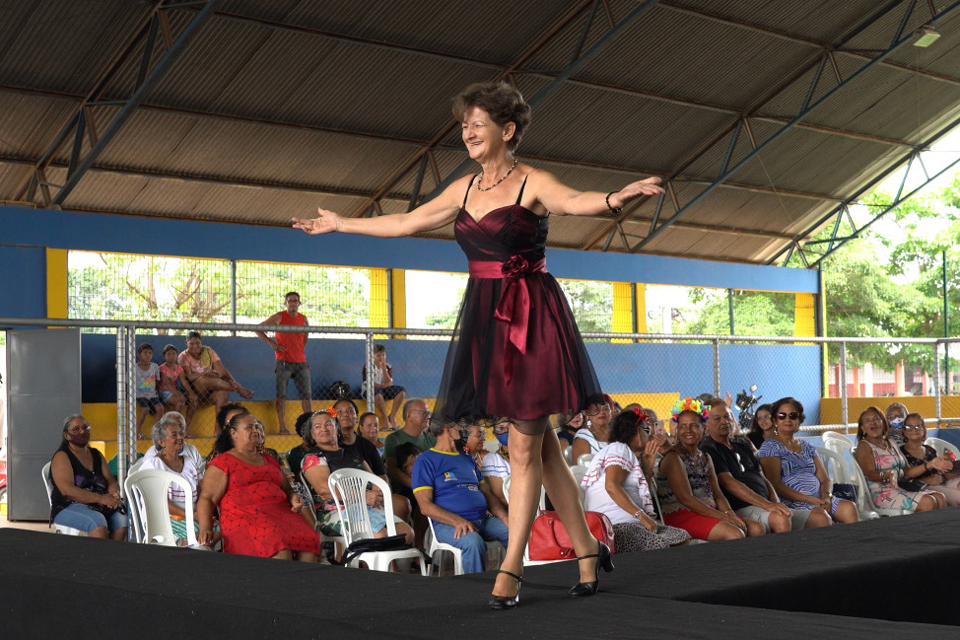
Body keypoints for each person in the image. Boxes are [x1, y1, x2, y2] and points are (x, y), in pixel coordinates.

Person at [294, 81, 663, 608]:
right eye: (464, 123)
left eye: (478, 123)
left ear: (507, 130)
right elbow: (406, 221)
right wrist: (341, 223)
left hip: (533, 321)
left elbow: (574, 201)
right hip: (489, 322)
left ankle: (510, 568)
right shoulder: (463, 189)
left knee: (520, 445)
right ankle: (587, 550)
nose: (467, 131)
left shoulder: (533, 180)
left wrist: (613, 198)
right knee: (541, 451)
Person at [197, 410, 319, 560]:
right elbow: (207, 498)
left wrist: (294, 498)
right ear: (234, 433)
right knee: (280, 550)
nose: (255, 430)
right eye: (249, 427)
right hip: (244, 518)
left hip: (279, 514)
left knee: (309, 541)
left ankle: (302, 583)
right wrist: (205, 527)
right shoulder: (223, 462)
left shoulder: (269, 459)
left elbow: (287, 489)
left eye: (256, 426)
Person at [699, 400, 828, 532]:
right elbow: (729, 483)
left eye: (727, 417)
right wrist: (767, 505)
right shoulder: (708, 449)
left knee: (821, 517)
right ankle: (785, 552)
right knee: (781, 518)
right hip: (743, 507)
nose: (724, 421)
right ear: (706, 424)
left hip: (766, 505)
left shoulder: (742, 443)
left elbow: (762, 477)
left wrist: (775, 502)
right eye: (717, 419)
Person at [581, 408, 691, 551]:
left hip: (631, 524)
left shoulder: (626, 453)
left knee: (682, 537)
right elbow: (611, 486)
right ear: (637, 432)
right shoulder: (620, 449)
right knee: (661, 546)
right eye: (646, 431)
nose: (650, 435)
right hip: (615, 527)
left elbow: (640, 494)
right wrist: (642, 517)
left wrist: (647, 469)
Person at [301, 408, 414, 547]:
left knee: (406, 532)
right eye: (318, 426)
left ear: (337, 428)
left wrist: (377, 495)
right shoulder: (313, 457)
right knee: (379, 536)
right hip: (337, 511)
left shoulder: (352, 453)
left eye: (328, 424)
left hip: (368, 506)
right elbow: (324, 489)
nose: (324, 429)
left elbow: (374, 480)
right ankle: (370, 566)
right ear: (312, 435)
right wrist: (363, 496)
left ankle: (378, 563)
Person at [656, 398, 762, 541]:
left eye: (693, 425)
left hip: (708, 511)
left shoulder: (705, 456)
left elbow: (717, 495)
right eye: (682, 426)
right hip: (681, 515)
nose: (687, 430)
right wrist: (725, 518)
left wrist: (730, 514)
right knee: (734, 533)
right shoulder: (674, 457)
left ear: (704, 429)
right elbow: (686, 499)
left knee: (757, 528)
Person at [412, 420, 510, 575]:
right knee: (473, 542)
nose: (463, 429)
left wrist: (504, 517)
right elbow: (425, 506)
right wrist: (457, 521)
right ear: (447, 429)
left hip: (482, 520)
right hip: (448, 525)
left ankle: (519, 580)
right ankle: (477, 591)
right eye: (459, 426)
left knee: (516, 532)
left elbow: (487, 494)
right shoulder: (425, 460)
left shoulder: (466, 459)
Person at [757, 397, 858, 525]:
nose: (787, 419)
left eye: (793, 415)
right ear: (775, 420)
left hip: (819, 499)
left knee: (849, 508)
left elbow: (825, 479)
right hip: (792, 502)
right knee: (822, 518)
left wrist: (826, 496)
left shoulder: (807, 446)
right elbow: (774, 483)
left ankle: (851, 544)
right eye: (782, 415)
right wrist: (809, 499)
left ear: (799, 420)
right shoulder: (770, 447)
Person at [139, 417, 220, 546]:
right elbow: (159, 502)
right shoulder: (153, 464)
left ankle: (193, 549)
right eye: (174, 435)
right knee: (200, 535)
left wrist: (203, 515)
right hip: (163, 517)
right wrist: (192, 516)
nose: (180, 437)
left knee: (219, 528)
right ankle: (193, 550)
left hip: (193, 515)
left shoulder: (189, 461)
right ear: (161, 442)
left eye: (181, 433)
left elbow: (201, 492)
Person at [49, 415, 127, 540]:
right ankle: (97, 558)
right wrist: (101, 499)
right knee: (97, 522)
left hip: (98, 503)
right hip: (67, 506)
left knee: (121, 520)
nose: (82, 431)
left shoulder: (96, 454)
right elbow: (67, 491)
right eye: (76, 429)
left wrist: (113, 495)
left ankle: (110, 557)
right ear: (66, 436)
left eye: (86, 427)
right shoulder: (62, 457)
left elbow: (110, 480)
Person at [854, 406, 944, 513]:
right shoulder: (864, 446)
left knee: (940, 497)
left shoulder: (891, 442)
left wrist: (930, 464)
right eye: (867, 420)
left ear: (883, 423)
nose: (873, 422)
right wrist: (888, 474)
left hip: (901, 487)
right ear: (863, 428)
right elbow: (869, 473)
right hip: (882, 493)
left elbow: (907, 472)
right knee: (928, 502)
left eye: (876, 419)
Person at [335, 398, 411, 522]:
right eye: (339, 411)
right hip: (347, 497)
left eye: (350, 411)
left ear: (356, 417)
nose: (345, 414)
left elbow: (381, 475)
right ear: (334, 416)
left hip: (373, 493)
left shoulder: (367, 445)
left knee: (402, 503)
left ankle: (397, 540)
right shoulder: (332, 445)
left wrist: (378, 494)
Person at [255, 291, 312, 435]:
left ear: (299, 303)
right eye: (290, 301)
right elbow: (258, 329)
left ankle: (310, 426)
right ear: (286, 303)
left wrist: (299, 354)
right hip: (283, 362)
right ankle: (282, 427)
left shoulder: (303, 319)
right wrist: (272, 344)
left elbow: (304, 340)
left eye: (295, 301)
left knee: (306, 395)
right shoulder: (279, 316)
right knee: (281, 395)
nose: (293, 303)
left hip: (301, 362)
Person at [178, 331, 254, 434]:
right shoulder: (183, 356)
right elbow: (190, 377)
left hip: (209, 392)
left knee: (223, 393)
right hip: (193, 391)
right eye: (191, 343)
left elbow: (221, 371)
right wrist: (206, 373)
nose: (195, 346)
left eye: (197, 343)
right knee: (205, 380)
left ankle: (217, 431)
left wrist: (232, 381)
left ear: (201, 342)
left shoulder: (208, 352)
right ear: (186, 343)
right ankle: (239, 390)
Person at [899, 412, 959, 505]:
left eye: (918, 426)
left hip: (942, 482)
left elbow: (941, 473)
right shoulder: (901, 453)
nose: (914, 430)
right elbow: (904, 478)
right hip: (925, 488)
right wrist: (926, 478)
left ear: (924, 429)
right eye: (909, 427)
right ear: (904, 431)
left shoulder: (930, 450)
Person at [384, 399, 437, 499]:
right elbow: (391, 470)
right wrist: (419, 487)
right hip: (405, 492)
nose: (428, 417)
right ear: (409, 415)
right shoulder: (394, 439)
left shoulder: (431, 438)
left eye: (429, 413)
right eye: (424, 413)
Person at [363, 344, 406, 429]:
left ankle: (392, 416)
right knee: (378, 393)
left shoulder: (388, 366)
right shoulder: (368, 366)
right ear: (373, 356)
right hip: (370, 390)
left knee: (401, 391)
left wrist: (383, 368)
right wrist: (382, 386)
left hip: (384, 390)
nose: (381, 358)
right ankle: (385, 419)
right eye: (378, 355)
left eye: (383, 355)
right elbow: (369, 383)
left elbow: (389, 382)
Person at [158, 344, 196, 436]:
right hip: (164, 391)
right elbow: (167, 383)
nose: (171, 356)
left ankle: (186, 425)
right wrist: (178, 395)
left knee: (193, 400)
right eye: (168, 354)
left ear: (177, 355)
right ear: (164, 356)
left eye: (174, 354)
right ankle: (174, 427)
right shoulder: (162, 368)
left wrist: (191, 393)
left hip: (175, 391)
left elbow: (184, 381)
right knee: (179, 402)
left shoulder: (179, 368)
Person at [571, 394, 612, 464]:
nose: (602, 412)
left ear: (611, 412)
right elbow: (581, 469)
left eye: (606, 409)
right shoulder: (583, 437)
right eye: (596, 410)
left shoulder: (617, 433)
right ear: (588, 415)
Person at [135, 343, 163, 439]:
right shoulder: (134, 368)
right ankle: (136, 432)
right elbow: (128, 384)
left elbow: (158, 382)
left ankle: (156, 433)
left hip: (152, 395)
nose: (148, 355)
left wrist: (157, 394)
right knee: (145, 409)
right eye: (145, 352)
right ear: (138, 355)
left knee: (160, 408)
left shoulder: (155, 367)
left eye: (150, 353)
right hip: (139, 395)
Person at [481, 421, 512, 508]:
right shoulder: (493, 460)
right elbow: (501, 497)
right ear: (495, 434)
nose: (506, 431)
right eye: (500, 428)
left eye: (510, 427)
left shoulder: (533, 454)